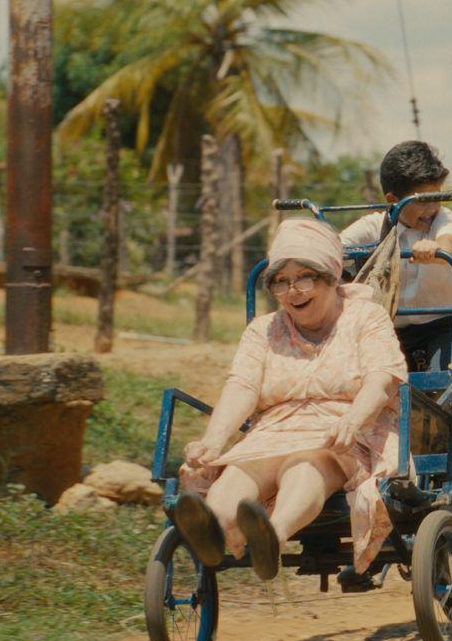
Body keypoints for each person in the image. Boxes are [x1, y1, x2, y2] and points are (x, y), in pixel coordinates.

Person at [172, 219, 407, 580]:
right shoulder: (263, 330)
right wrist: (213, 441)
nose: (293, 290)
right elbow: (242, 386)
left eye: (305, 277)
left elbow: (382, 380)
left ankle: (273, 535)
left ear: (332, 276)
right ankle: (212, 528)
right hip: (274, 430)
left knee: (304, 465)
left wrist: (353, 420)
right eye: (282, 281)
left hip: (341, 430)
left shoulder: (365, 317)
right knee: (243, 467)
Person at [340, 141, 452, 510]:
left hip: (443, 323)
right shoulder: (374, 227)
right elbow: (336, 246)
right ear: (393, 199)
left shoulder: (441, 220)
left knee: (444, 383)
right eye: (422, 201)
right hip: (390, 330)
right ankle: (393, 473)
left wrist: (435, 246)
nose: (431, 208)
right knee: (381, 394)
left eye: (437, 198)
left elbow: (448, 236)